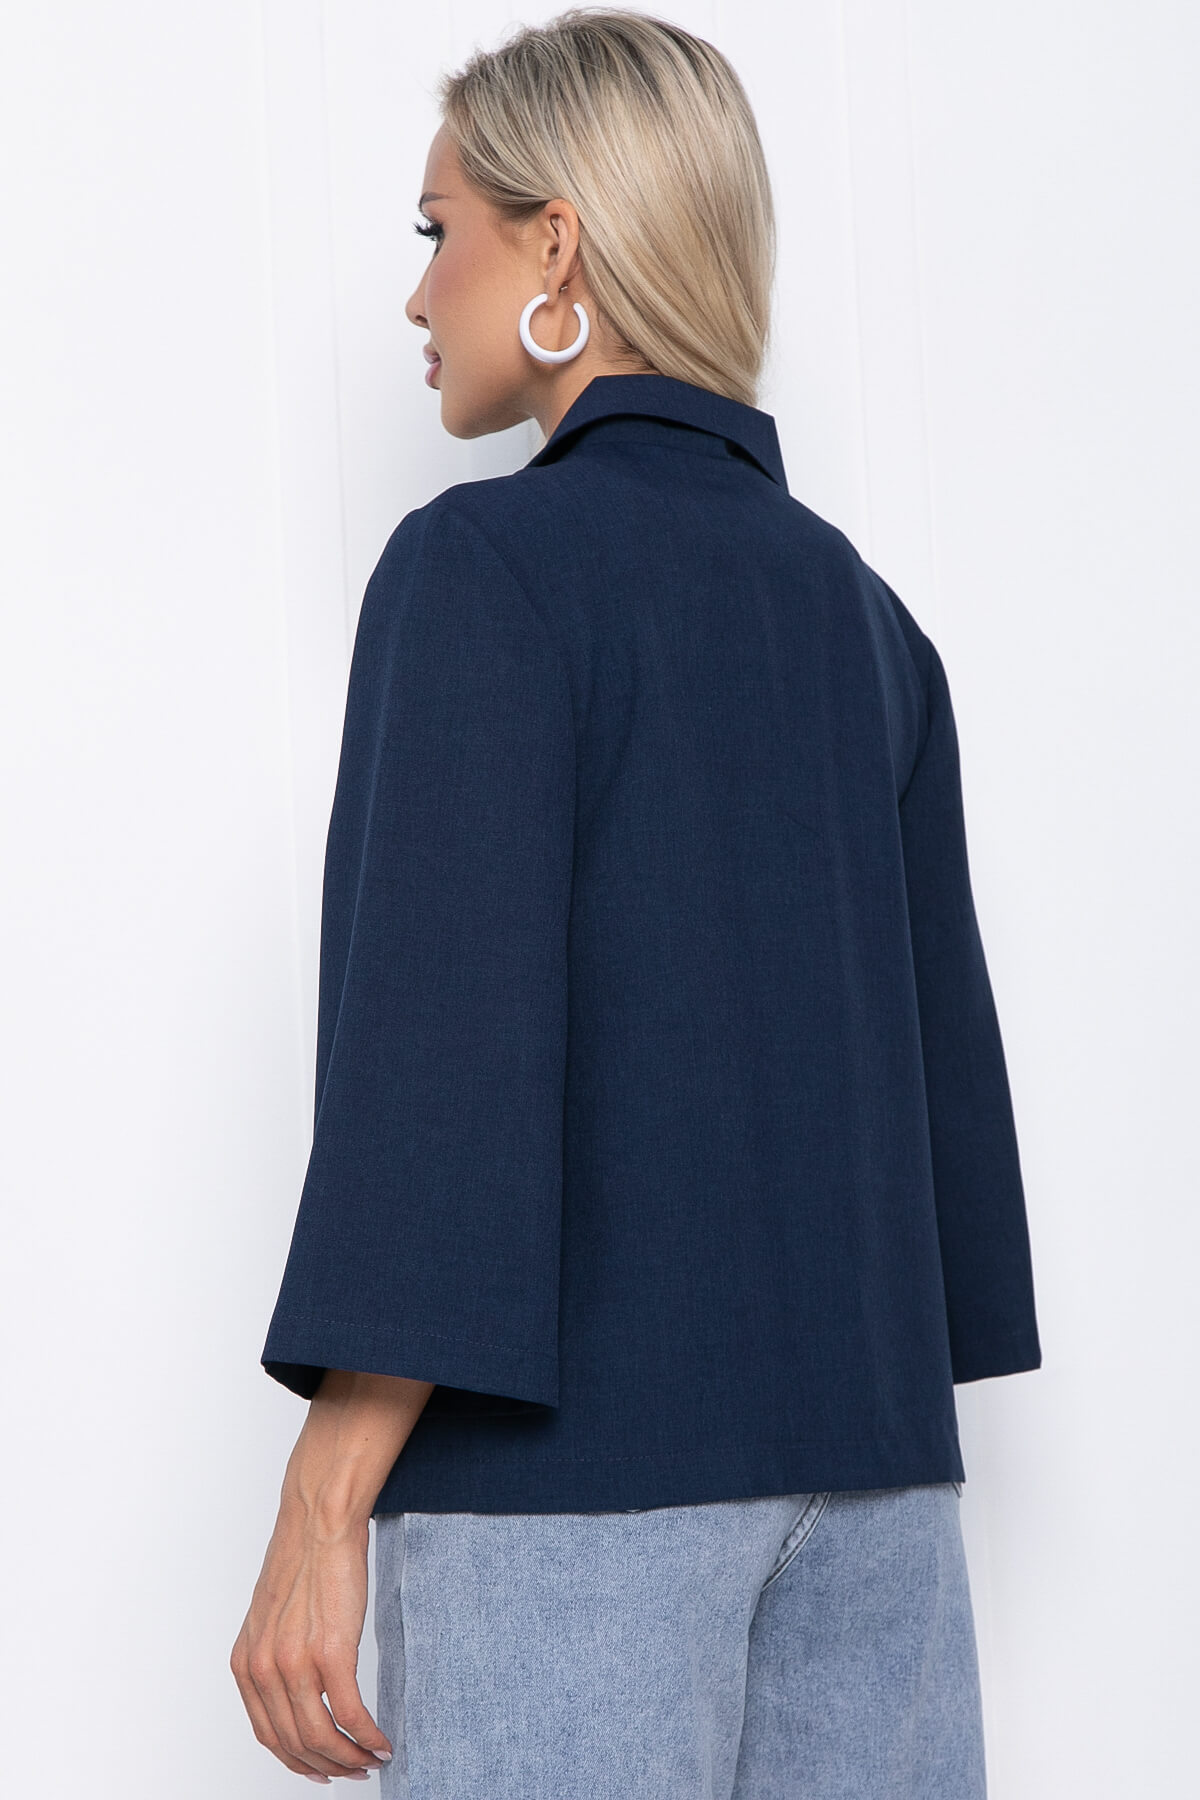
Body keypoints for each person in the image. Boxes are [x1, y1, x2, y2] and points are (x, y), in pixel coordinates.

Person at [230, 9, 1042, 1796]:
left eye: (440, 228)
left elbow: (442, 1062)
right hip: (881, 1491)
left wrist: (321, 1501)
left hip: (573, 1495)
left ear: (557, 244)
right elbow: (940, 1107)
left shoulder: (482, 569)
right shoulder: (868, 620)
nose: (417, 291)